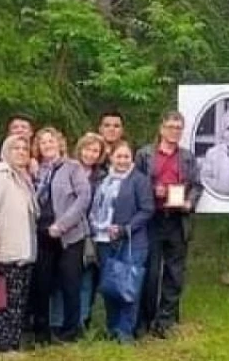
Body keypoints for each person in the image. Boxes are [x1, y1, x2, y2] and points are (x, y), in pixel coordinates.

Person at [136, 111, 203, 339]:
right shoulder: (145, 154)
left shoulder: (187, 157)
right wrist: (152, 190)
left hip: (177, 219)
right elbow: (135, 182)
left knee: (174, 273)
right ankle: (146, 319)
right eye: (171, 126)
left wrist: (189, 202)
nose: (175, 131)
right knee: (151, 272)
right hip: (152, 218)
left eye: (178, 128)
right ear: (161, 128)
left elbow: (196, 185)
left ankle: (166, 320)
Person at [0, 135, 38, 355]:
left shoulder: (23, 178)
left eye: (25, 148)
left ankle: (11, 341)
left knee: (16, 300)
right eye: (16, 148)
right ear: (6, 151)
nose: (21, 152)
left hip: (22, 249)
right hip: (2, 250)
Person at [89, 140, 154, 344]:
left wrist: (125, 229)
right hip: (104, 239)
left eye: (127, 156)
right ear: (111, 158)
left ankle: (125, 331)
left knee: (128, 286)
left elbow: (147, 209)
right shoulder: (104, 181)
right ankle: (111, 327)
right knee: (110, 285)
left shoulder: (139, 180)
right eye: (119, 156)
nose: (123, 161)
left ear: (132, 158)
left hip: (132, 242)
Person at [31, 127, 92, 343]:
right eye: (42, 142)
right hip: (42, 233)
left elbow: (83, 198)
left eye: (51, 141)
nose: (47, 145)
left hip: (69, 235)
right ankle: (41, 331)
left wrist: (63, 224)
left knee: (70, 283)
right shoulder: (38, 170)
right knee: (42, 283)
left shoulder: (73, 167)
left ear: (60, 143)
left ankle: (70, 330)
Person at [73, 133, 107, 333]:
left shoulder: (103, 177)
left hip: (92, 233)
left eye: (95, 151)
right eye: (88, 149)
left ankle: (83, 319)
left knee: (87, 277)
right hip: (68, 230)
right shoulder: (67, 170)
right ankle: (62, 319)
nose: (91, 154)